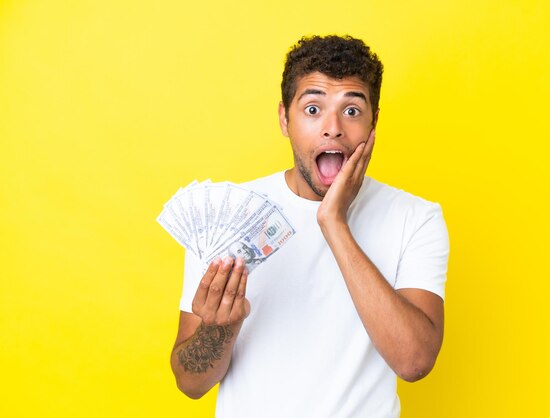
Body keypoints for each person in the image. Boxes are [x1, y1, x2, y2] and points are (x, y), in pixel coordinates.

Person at [170, 35, 450, 417]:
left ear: (374, 121)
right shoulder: (226, 215)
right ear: (285, 119)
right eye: (313, 108)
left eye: (351, 111)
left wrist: (334, 223)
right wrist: (220, 328)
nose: (333, 128)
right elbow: (190, 384)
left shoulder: (416, 218)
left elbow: (415, 361)